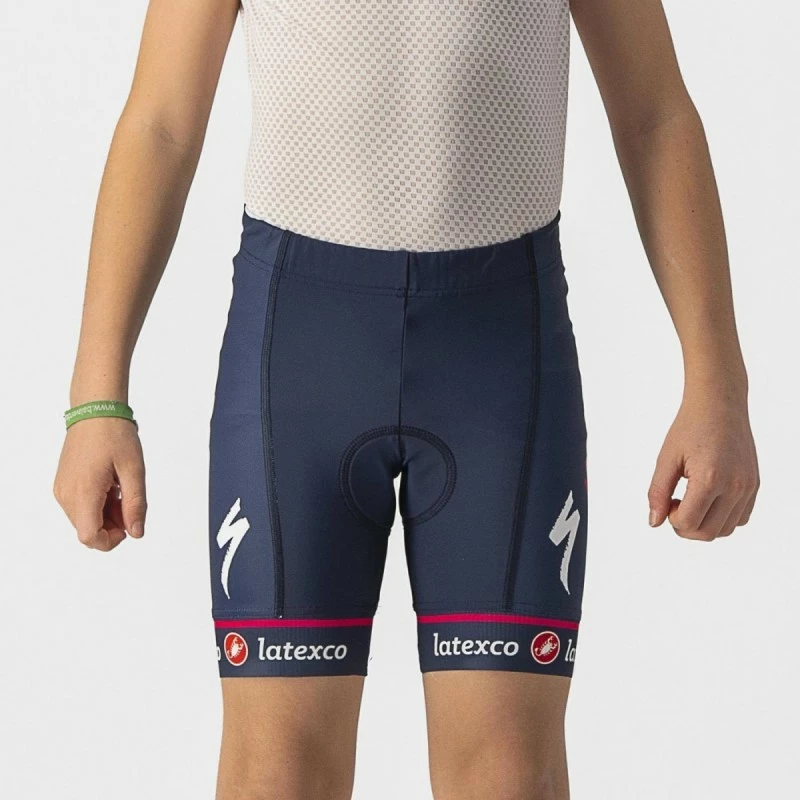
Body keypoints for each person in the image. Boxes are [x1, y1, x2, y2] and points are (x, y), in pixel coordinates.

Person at [53, 1, 760, 797]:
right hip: (299, 357)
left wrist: (719, 383)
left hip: (497, 360)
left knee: (509, 779)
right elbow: (160, 124)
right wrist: (96, 401)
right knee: (275, 778)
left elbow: (655, 114)